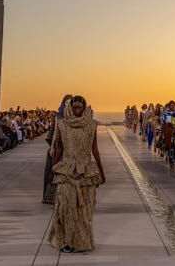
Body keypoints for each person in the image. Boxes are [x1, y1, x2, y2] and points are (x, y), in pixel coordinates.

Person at [48, 95, 105, 253]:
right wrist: (53, 170)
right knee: (65, 207)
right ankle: (66, 241)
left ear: (85, 107)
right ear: (71, 108)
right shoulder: (62, 124)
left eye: (80, 107)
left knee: (83, 209)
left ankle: (81, 241)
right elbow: (60, 149)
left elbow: (95, 150)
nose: (78, 110)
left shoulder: (92, 125)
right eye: (75, 107)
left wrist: (101, 171)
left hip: (86, 171)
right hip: (66, 170)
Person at [43, 94, 71, 205]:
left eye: (70, 103)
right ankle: (53, 197)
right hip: (59, 145)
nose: (68, 105)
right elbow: (54, 132)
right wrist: (52, 147)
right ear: (63, 103)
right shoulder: (58, 116)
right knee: (56, 170)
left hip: (69, 146)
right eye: (66, 103)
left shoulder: (74, 116)